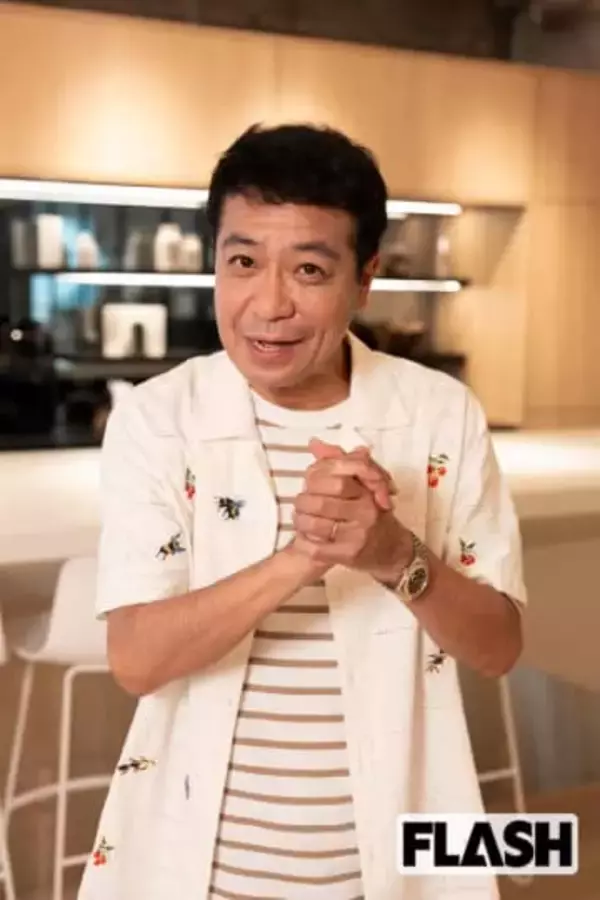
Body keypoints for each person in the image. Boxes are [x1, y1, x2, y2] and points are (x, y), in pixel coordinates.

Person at [79, 124, 525, 900]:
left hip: (392, 871)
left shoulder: (438, 415)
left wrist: (394, 556)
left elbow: (499, 647)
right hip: (198, 875)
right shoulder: (160, 419)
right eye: (243, 262)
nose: (269, 305)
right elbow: (137, 660)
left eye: (310, 269)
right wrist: (304, 554)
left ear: (365, 278)